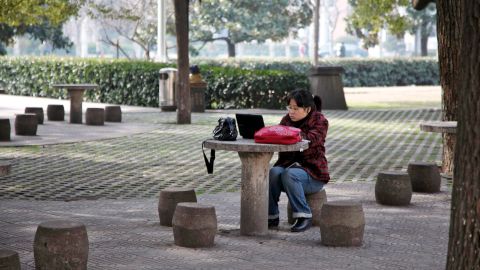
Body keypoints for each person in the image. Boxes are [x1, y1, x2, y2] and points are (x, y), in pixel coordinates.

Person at [268, 89, 330, 232]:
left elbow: (311, 139)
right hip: (288, 169)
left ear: (307, 109)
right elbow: (278, 135)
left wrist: (289, 133)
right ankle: (271, 215)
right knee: (273, 172)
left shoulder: (320, 121)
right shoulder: (286, 120)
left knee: (289, 174)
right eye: (290, 107)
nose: (291, 111)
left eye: (296, 108)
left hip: (313, 175)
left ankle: (304, 216)